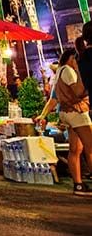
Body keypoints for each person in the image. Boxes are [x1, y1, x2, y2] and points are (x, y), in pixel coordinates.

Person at [48, 47, 92, 196]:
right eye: (76, 59)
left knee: (75, 149)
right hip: (76, 111)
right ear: (71, 58)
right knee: (90, 148)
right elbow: (78, 91)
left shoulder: (60, 71)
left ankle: (78, 185)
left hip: (65, 113)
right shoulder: (68, 71)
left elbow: (54, 98)